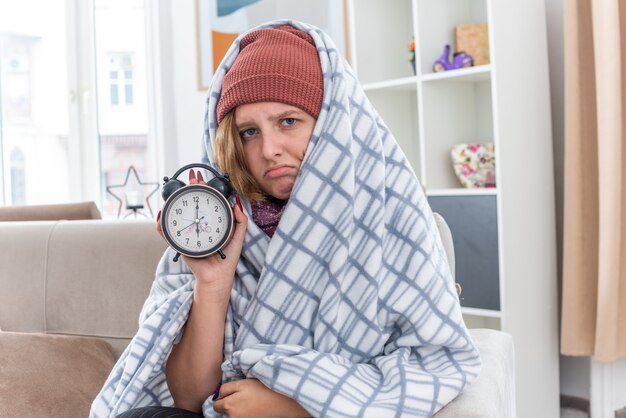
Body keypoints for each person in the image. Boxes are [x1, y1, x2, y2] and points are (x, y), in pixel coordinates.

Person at [91, 20, 481, 418]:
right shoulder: (215, 224)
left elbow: (435, 364)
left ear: (330, 125)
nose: (269, 149)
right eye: (248, 132)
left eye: (288, 122)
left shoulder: (391, 220)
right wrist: (212, 281)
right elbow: (189, 399)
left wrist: (293, 405)